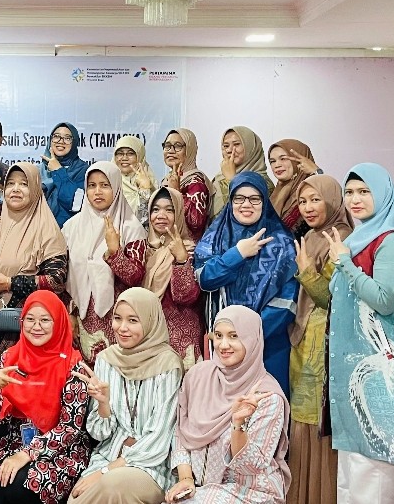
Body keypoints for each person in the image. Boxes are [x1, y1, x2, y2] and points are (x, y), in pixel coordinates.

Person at [325, 163, 394, 504]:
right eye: (349, 192)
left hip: (378, 371)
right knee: (352, 479)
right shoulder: (358, 237)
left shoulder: (392, 240)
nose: (355, 199)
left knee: (375, 475)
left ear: (383, 193)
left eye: (364, 191)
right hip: (352, 371)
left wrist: (345, 263)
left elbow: (385, 300)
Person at [67, 288, 184, 504]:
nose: (122, 328)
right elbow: (99, 434)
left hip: (150, 464)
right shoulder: (106, 360)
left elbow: (160, 437)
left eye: (133, 320)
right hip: (107, 455)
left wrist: (106, 471)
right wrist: (103, 405)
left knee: (112, 486)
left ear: (150, 321)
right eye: (118, 318)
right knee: (76, 499)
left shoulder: (168, 364)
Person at [0, 290, 91, 504]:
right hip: (14, 444)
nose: (36, 327)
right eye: (30, 319)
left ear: (58, 323)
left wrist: (28, 454)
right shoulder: (9, 359)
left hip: (60, 450)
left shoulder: (73, 366)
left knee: (20, 488)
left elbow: (69, 429)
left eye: (45, 320)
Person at [166, 306, 290, 504]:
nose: (223, 345)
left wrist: (238, 426)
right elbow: (181, 431)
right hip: (198, 488)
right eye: (218, 335)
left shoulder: (266, 396)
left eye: (234, 336)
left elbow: (251, 467)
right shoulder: (197, 376)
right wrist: (186, 478)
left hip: (251, 491)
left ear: (252, 339)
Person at [194, 172, 297, 395]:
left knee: (265, 406)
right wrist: (238, 253)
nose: (246, 204)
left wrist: (245, 337)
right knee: (225, 409)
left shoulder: (282, 242)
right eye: (239, 198)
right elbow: (205, 279)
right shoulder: (216, 236)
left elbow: (286, 302)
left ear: (265, 202)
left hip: (267, 346)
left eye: (254, 199)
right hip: (225, 348)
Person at [287, 175, 352, 504]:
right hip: (303, 338)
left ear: (332, 199)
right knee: (302, 418)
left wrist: (305, 271)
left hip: (326, 340)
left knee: (317, 420)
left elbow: (331, 297)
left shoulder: (341, 237)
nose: (308, 207)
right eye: (303, 201)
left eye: (316, 199)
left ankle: (319, 495)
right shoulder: (311, 236)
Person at [0, 163, 68, 364]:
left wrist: (11, 283)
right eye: (11, 184)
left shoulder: (47, 230)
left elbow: (57, 281)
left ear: (35, 190)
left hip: (23, 323)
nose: (15, 189)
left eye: (24, 184)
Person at [62, 162, 147, 362]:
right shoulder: (71, 227)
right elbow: (64, 276)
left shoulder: (130, 226)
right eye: (92, 186)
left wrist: (115, 252)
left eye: (105, 185)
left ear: (116, 187)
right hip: (81, 320)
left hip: (120, 320)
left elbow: (135, 278)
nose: (97, 192)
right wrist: (69, 314)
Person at [140, 187, 203, 367]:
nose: (161, 215)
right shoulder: (142, 250)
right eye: (155, 209)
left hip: (180, 339)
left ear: (179, 214)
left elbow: (186, 296)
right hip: (148, 336)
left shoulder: (192, 249)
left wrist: (181, 259)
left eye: (169, 210)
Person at [209, 126, 273, 218]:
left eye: (236, 144)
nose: (229, 150)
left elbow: (245, 217)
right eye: (226, 146)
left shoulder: (263, 182)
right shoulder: (219, 177)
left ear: (250, 147)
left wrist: (231, 180)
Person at [158, 129, 210, 242]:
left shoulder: (196, 183)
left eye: (178, 146)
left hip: (186, 248)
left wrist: (176, 193)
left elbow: (196, 223)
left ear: (190, 150)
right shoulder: (167, 180)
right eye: (167, 146)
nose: (171, 151)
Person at [40, 122, 88, 227]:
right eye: (56, 136)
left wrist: (58, 171)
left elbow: (75, 204)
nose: (61, 141)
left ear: (74, 142)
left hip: (67, 231)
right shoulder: (39, 170)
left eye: (67, 138)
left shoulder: (83, 170)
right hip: (39, 231)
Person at [267, 139, 319, 232]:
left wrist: (316, 172)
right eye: (272, 161)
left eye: (283, 158)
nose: (277, 165)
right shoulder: (274, 195)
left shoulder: (314, 191)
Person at [112, 135, 156, 223]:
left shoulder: (150, 181)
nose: (124, 158)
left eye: (130, 154)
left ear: (140, 156)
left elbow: (148, 221)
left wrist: (145, 189)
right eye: (120, 153)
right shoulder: (109, 181)